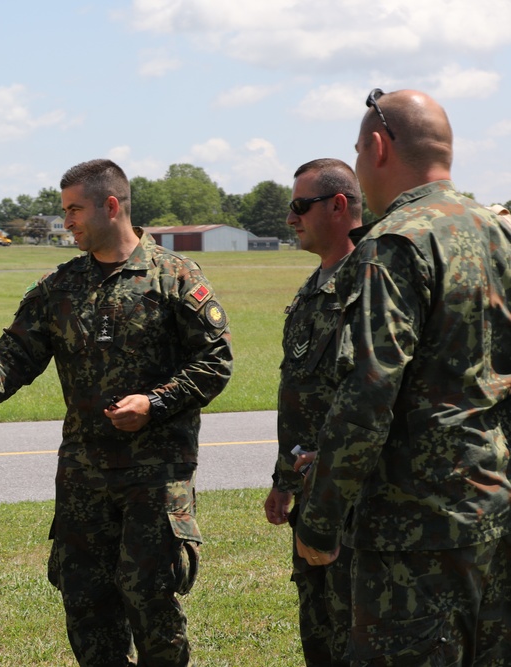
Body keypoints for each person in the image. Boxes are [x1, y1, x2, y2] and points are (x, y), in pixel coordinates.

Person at [0, 159, 233, 666]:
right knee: (87, 610)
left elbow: (215, 361)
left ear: (111, 206)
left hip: (155, 476)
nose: (67, 221)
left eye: (75, 210)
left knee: (153, 605)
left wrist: (155, 403)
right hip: (83, 478)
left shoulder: (174, 276)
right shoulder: (61, 286)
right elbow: (15, 353)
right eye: (64, 211)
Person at [296, 89, 511, 664]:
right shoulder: (495, 232)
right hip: (491, 506)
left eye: (360, 153)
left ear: (377, 146)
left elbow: (367, 394)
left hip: (415, 525)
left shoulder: (394, 243)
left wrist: (318, 520)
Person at [263, 158, 361, 665]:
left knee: (356, 633)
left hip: (354, 499)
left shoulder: (370, 284)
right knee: (318, 633)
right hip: (310, 492)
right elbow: (300, 397)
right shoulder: (310, 292)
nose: (290, 218)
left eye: (300, 206)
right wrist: (284, 482)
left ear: (338, 206)